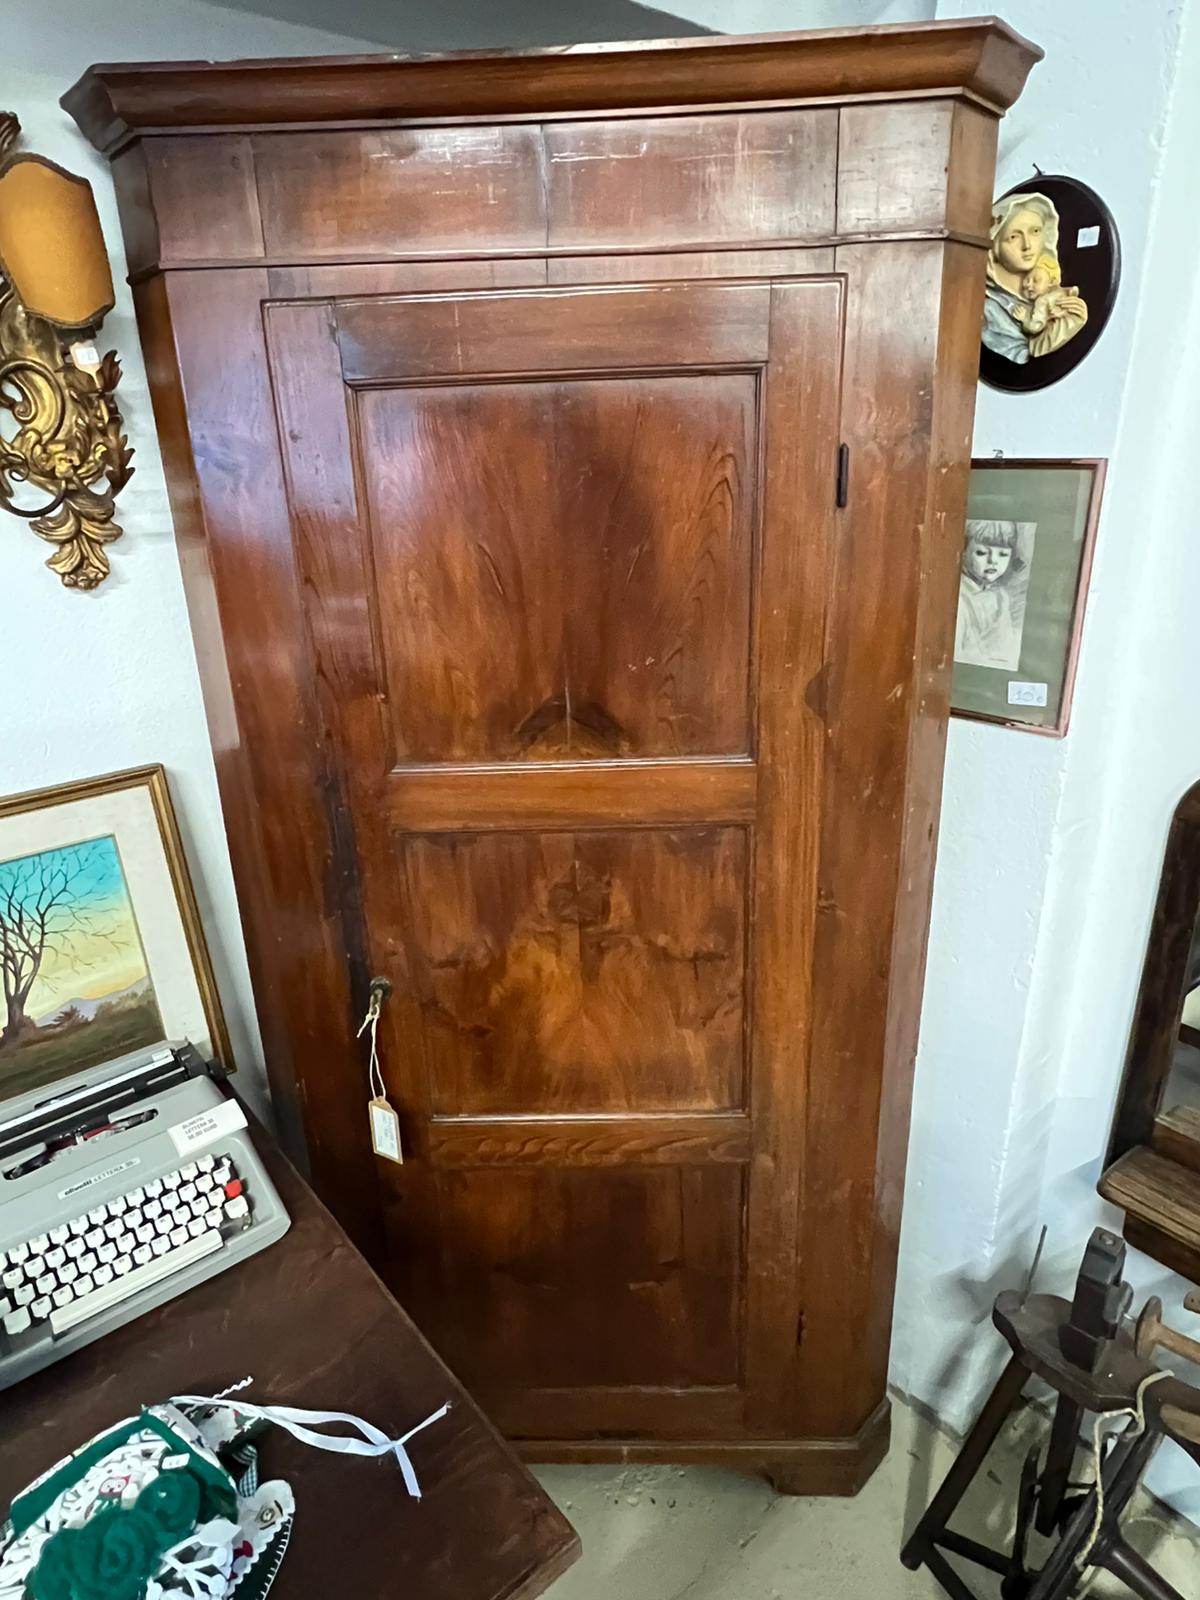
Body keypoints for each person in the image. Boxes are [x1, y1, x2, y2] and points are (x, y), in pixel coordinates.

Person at [982, 193, 1088, 363]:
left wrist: (1071, 318)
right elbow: (1027, 352)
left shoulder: (1056, 295)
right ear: (994, 247)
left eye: (1035, 231)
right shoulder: (991, 309)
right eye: (1014, 237)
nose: (1027, 245)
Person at [955, 521, 1027, 671]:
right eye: (981, 553)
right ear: (963, 551)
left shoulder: (1001, 597)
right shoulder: (958, 597)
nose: (993, 560)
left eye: (1003, 554)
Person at [1012, 253, 1084, 338]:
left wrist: (1024, 318)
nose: (1028, 285)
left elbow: (1035, 327)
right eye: (1027, 280)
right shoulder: (1061, 293)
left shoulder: (1042, 301)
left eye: (1036, 280)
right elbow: (1073, 291)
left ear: (1052, 281)